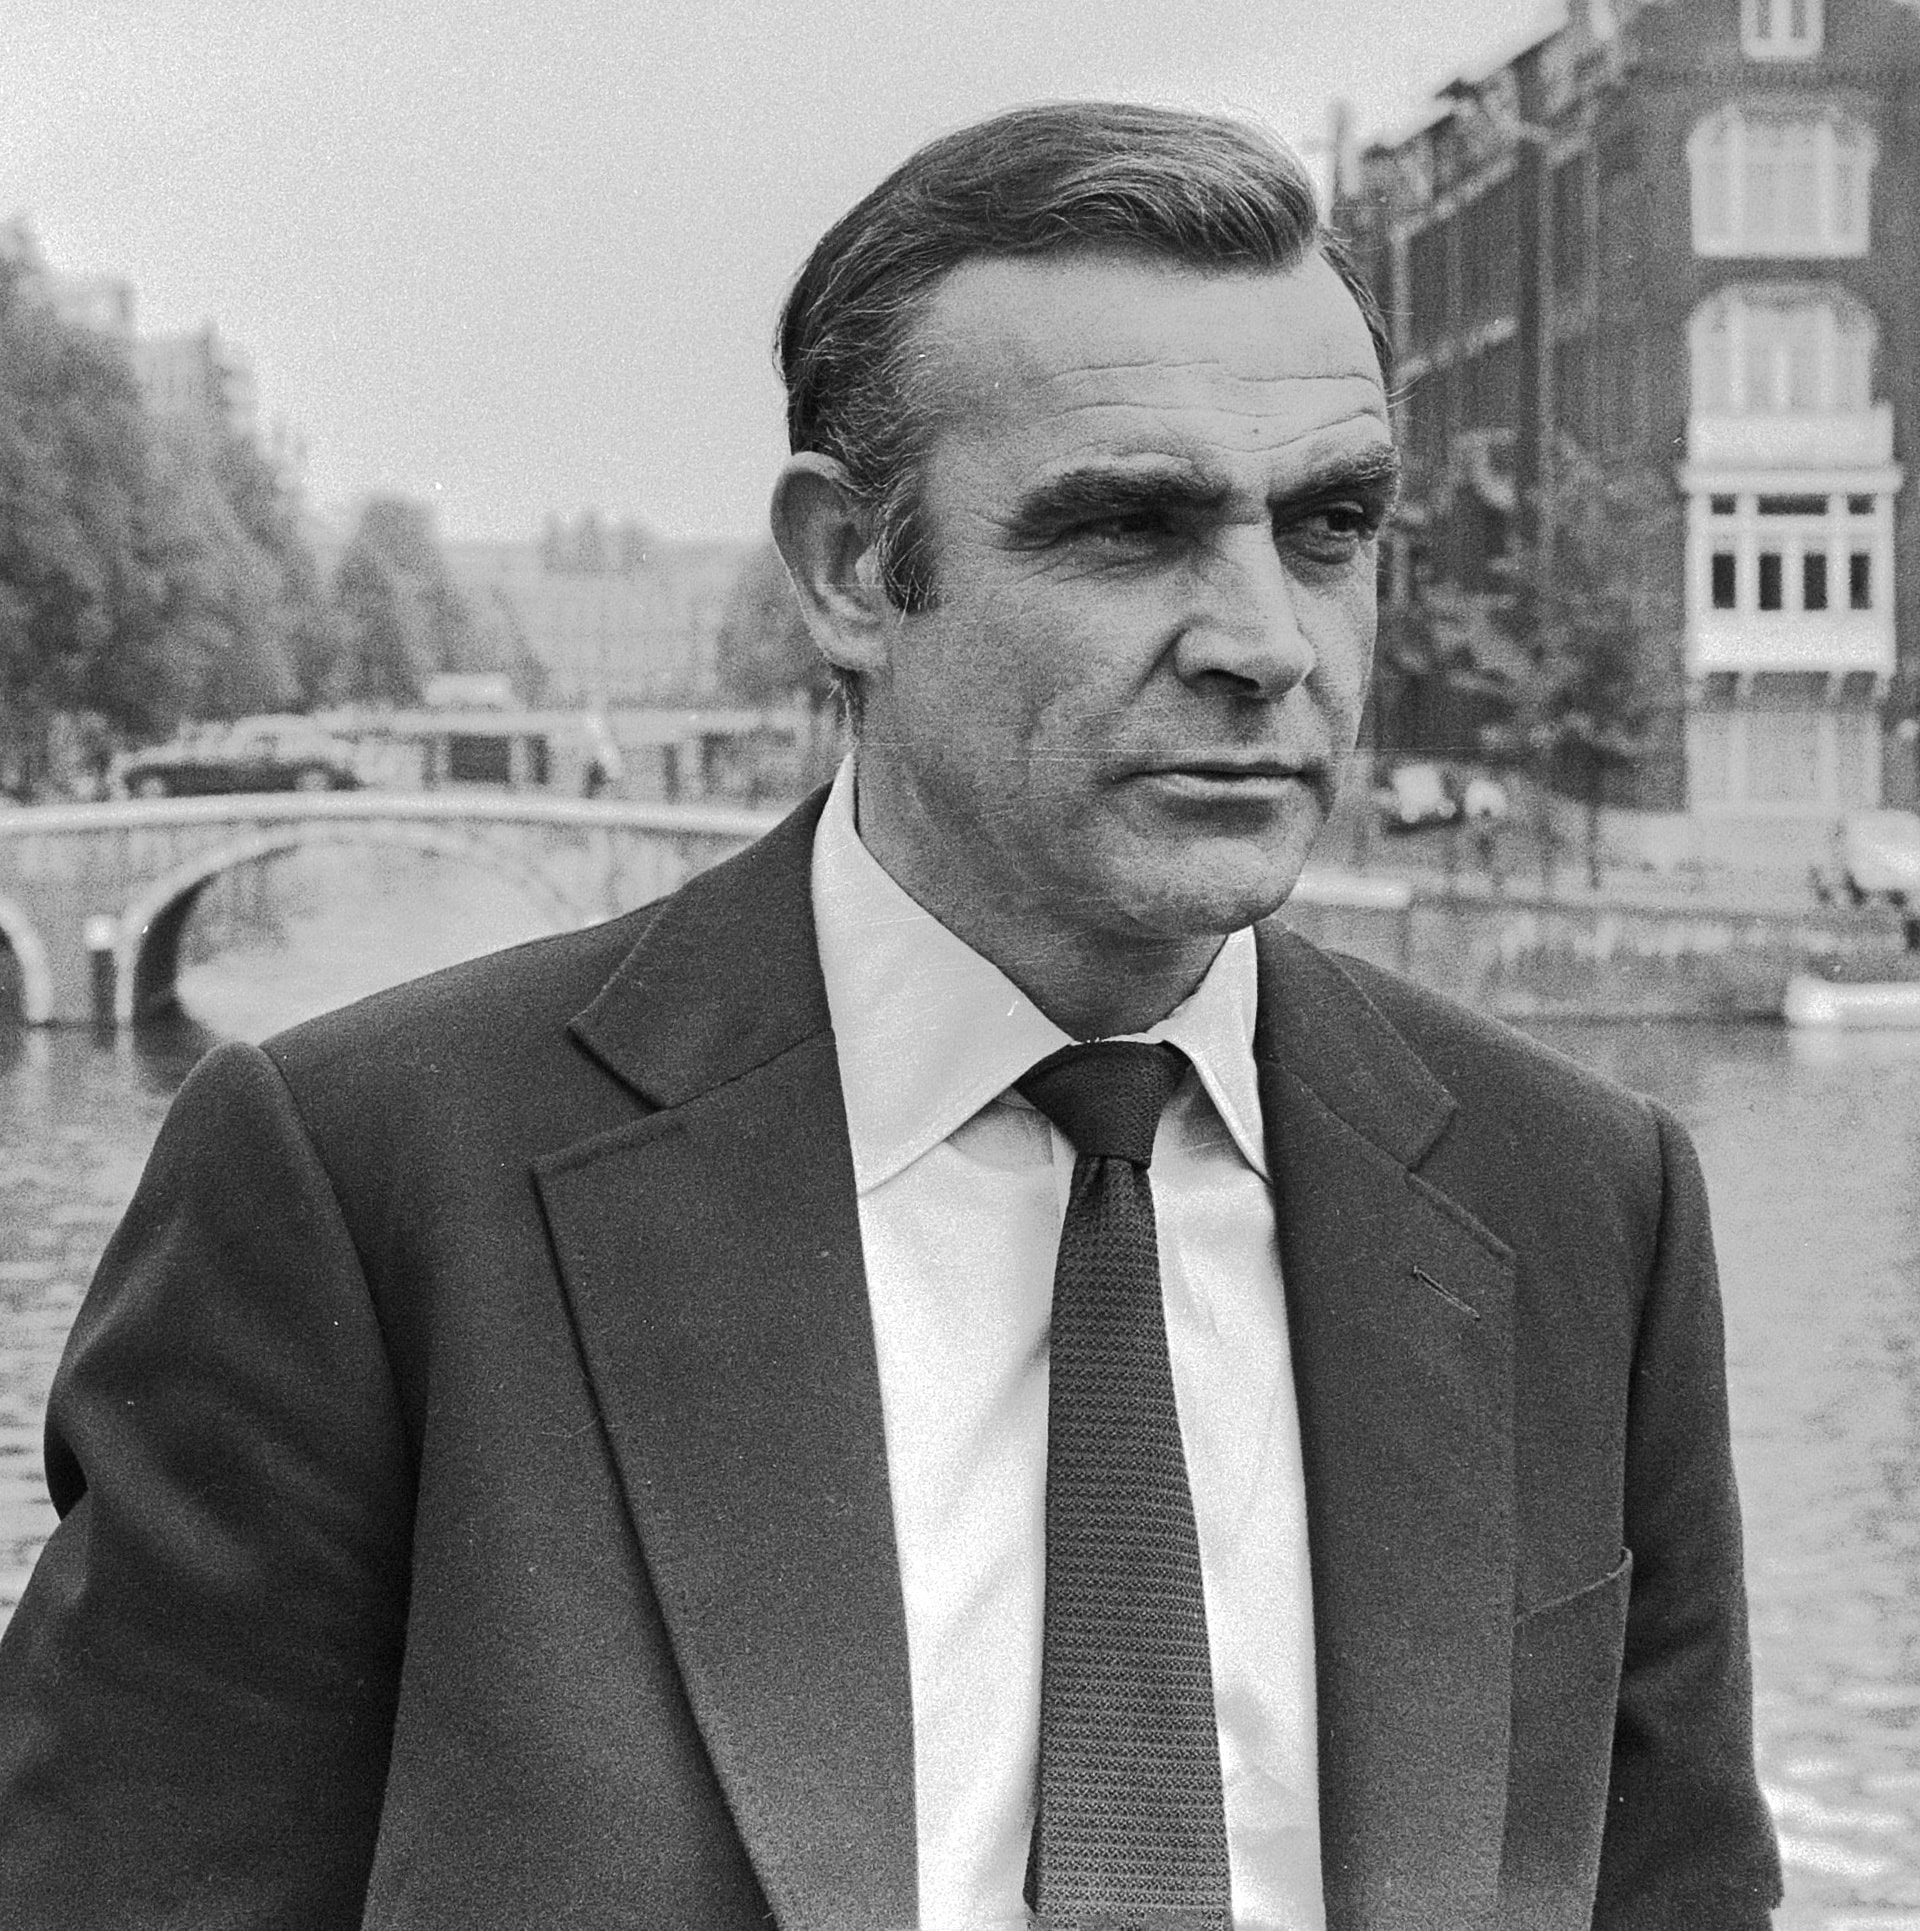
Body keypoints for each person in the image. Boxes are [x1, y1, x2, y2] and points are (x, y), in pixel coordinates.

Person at [0, 103, 1780, 1930]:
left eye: (1329, 526)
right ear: (849, 570)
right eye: (1129, 528)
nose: (1267, 640)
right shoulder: (366, 1193)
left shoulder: (1583, 1201)